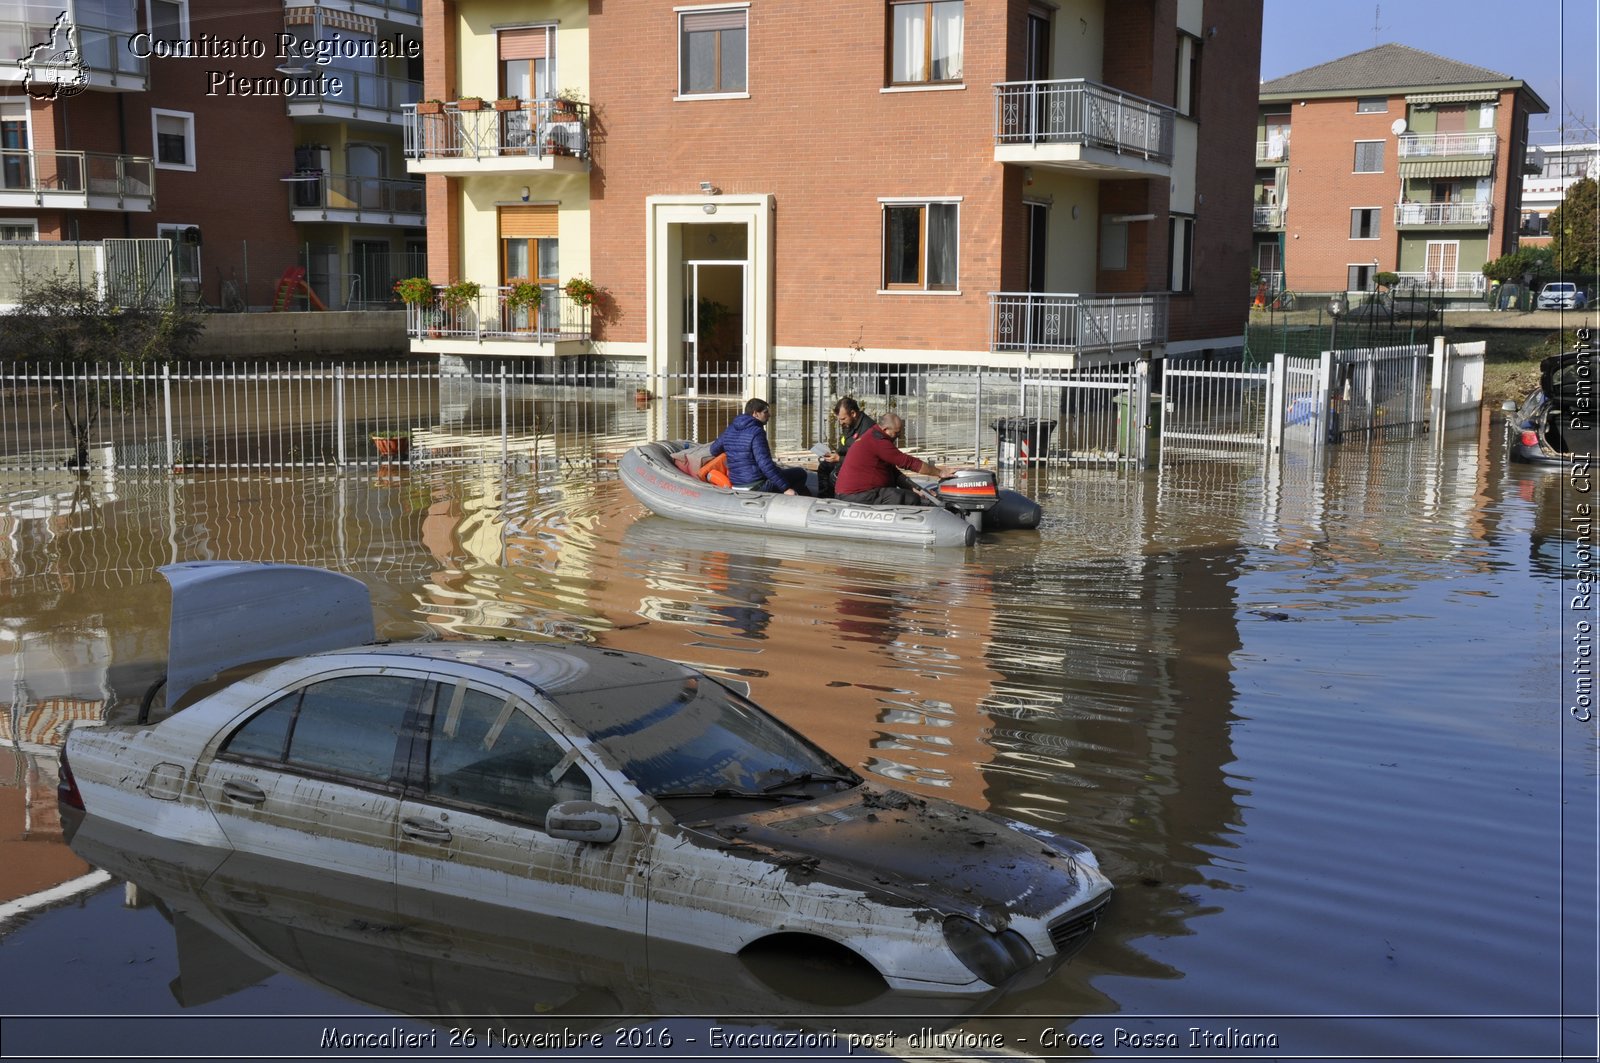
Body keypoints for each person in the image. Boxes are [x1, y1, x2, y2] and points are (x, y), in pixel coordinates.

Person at [833, 412, 944, 506]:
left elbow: (894, 473)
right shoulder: (879, 442)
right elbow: (908, 462)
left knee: (910, 494)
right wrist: (940, 472)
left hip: (857, 493)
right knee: (910, 499)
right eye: (896, 433)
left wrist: (917, 489)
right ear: (885, 429)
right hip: (856, 495)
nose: (899, 437)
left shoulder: (872, 434)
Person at [708, 398, 809, 496]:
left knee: (780, 472)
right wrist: (786, 488)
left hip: (736, 483)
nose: (769, 415)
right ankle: (790, 502)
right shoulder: (757, 432)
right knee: (800, 473)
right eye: (765, 412)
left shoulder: (730, 429)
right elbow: (765, 464)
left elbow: (713, 450)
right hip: (756, 485)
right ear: (755, 414)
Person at [815, 396, 872, 498]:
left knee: (835, 476)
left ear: (853, 413)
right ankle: (824, 498)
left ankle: (840, 499)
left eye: (843, 419)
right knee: (824, 466)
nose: (841, 422)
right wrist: (836, 453)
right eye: (839, 419)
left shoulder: (868, 429)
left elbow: (864, 459)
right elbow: (845, 443)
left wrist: (839, 459)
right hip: (847, 460)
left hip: (862, 467)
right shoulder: (850, 424)